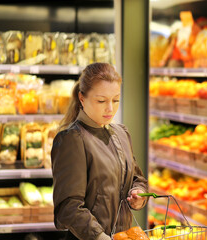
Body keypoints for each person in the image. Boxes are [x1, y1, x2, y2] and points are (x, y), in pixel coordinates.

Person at [51, 63, 148, 240]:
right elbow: (68, 206)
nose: (110, 108)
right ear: (82, 98)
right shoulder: (72, 139)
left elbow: (137, 178)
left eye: (116, 100)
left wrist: (139, 194)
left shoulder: (122, 133)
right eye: (101, 101)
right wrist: (100, 237)